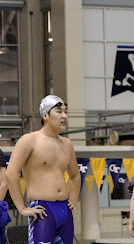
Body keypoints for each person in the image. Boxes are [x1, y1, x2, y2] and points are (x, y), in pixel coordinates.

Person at [6, 95, 80, 244]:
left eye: (66, 112)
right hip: (43, 210)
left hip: (65, 210)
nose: (64, 116)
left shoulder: (67, 144)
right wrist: (21, 208)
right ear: (45, 115)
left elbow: (75, 175)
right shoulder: (29, 140)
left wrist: (73, 198)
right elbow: (11, 173)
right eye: (59, 111)